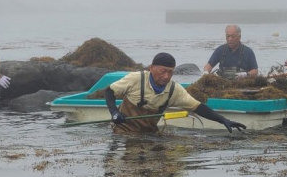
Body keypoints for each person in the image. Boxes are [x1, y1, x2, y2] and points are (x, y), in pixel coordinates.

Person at [104, 52, 247, 134]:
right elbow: (109, 91)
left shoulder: (174, 90)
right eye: (163, 71)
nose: (166, 76)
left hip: (148, 134)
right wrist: (114, 112)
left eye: (170, 72)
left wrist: (223, 120)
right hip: (123, 132)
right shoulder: (136, 79)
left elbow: (198, 107)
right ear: (152, 68)